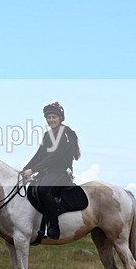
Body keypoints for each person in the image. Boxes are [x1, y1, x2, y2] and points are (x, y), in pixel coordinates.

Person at [22, 102, 81, 240]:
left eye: (54, 117)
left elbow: (56, 157)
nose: (51, 120)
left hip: (61, 172)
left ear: (60, 118)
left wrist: (34, 170)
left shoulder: (67, 134)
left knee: (43, 190)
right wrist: (25, 169)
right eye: (48, 118)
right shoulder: (47, 135)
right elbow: (39, 155)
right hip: (47, 172)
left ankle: (54, 227)